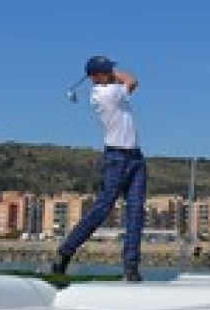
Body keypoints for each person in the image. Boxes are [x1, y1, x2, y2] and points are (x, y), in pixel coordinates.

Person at [53, 55, 146, 282]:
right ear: (95, 77)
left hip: (135, 157)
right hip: (117, 157)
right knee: (103, 208)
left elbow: (126, 82)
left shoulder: (111, 89)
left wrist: (111, 75)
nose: (112, 72)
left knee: (136, 212)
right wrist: (116, 76)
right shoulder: (104, 94)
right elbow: (133, 80)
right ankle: (65, 252)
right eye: (107, 70)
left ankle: (131, 267)